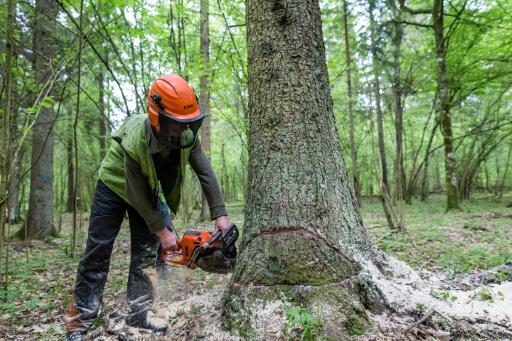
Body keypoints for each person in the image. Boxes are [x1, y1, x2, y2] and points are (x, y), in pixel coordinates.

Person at [62, 74, 231, 341]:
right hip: (115, 185)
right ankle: (79, 320)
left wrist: (220, 214)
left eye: (186, 123)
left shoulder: (186, 137)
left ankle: (138, 313)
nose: (180, 129)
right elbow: (135, 193)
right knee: (98, 248)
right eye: (175, 124)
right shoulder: (135, 137)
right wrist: (162, 231)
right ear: (158, 117)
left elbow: (206, 173)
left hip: (147, 187)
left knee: (146, 252)